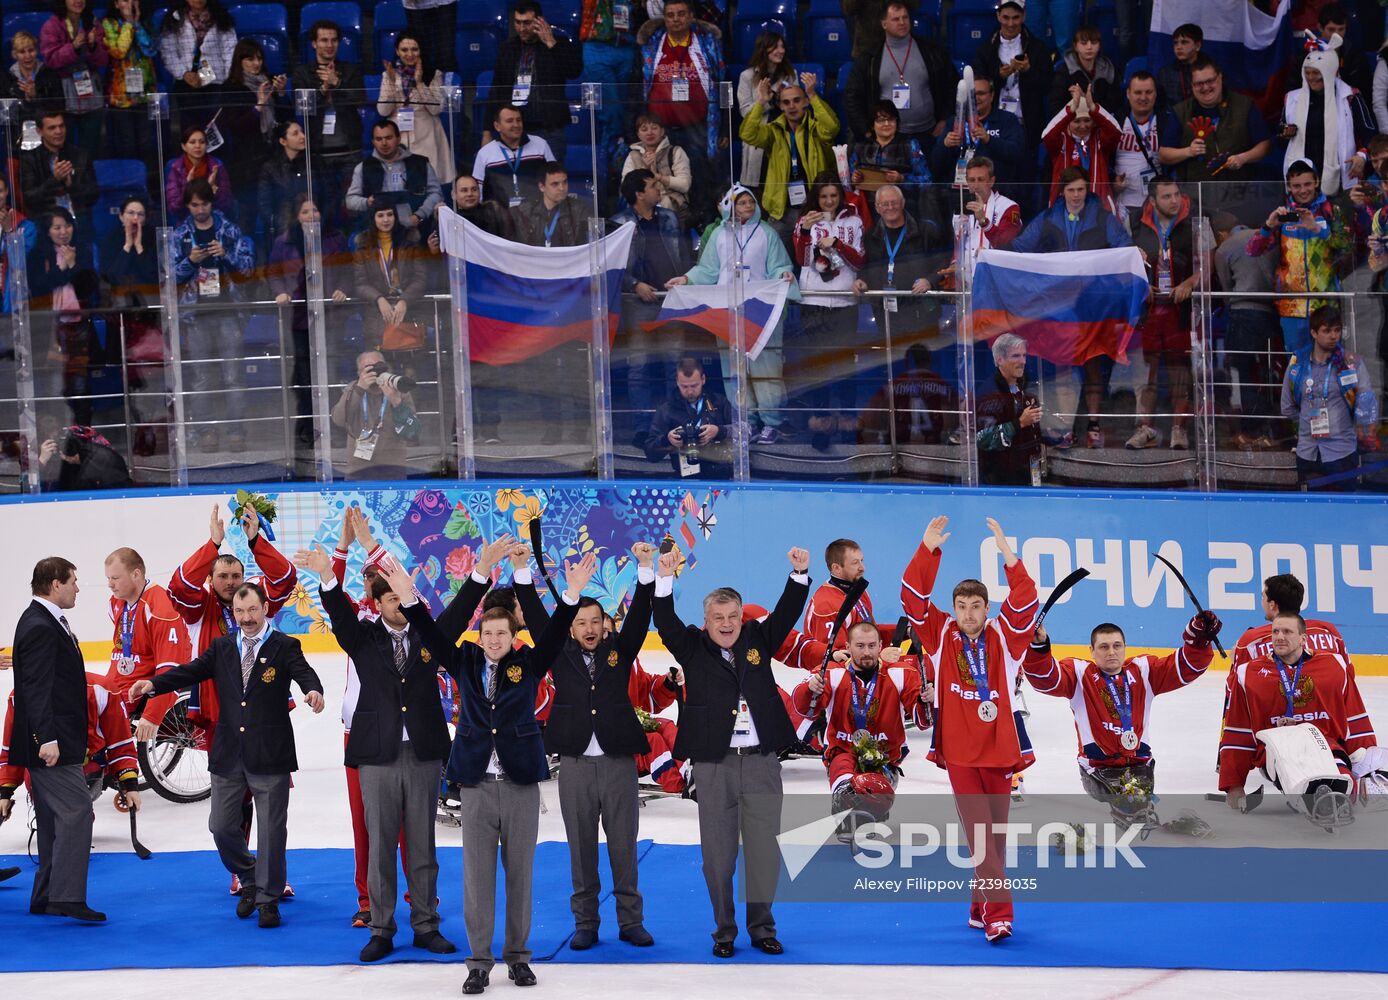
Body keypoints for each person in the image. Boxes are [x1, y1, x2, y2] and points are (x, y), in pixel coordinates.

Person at [401, 544, 596, 996]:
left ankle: (518, 957)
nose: (493, 640)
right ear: (480, 634)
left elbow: (553, 635)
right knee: (477, 878)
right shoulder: (465, 661)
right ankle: (478, 962)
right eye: (487, 633)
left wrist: (570, 594)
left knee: (520, 874)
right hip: (476, 785)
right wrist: (413, 599)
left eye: (501, 634)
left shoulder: (528, 665)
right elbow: (431, 634)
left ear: (512, 637)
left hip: (520, 783)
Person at [129, 583, 326, 928]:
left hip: (270, 754)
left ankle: (268, 899)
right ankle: (250, 877)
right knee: (220, 827)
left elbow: (304, 673)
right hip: (228, 754)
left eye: (252, 610)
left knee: (271, 831)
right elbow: (190, 671)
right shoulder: (221, 647)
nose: (246, 618)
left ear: (265, 608)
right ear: (233, 613)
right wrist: (154, 685)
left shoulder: (285, 646)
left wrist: (313, 690)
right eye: (239, 611)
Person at [652, 543, 811, 957]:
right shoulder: (691, 647)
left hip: (761, 763)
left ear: (743, 617)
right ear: (705, 622)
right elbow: (665, 621)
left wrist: (798, 574)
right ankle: (724, 931)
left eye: (733, 617)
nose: (726, 624)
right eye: (718, 618)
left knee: (764, 852)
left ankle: (762, 928)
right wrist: (665, 577)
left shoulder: (760, 637)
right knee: (717, 859)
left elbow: (789, 612)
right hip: (714, 767)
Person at [300, 545, 455, 962]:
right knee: (381, 844)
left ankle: (425, 924)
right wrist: (327, 578)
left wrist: (483, 571)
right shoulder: (362, 639)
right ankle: (382, 928)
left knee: (422, 845)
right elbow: (338, 615)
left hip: (422, 754)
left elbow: (460, 614)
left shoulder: (428, 635)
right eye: (390, 599)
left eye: (403, 598)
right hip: (377, 757)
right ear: (377, 603)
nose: (399, 606)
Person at [513, 542, 658, 950]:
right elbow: (542, 619)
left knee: (624, 846)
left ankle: (631, 921)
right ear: (571, 628)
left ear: (605, 624)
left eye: (596, 621)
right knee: (580, 848)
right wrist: (522, 572)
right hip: (575, 765)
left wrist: (645, 568)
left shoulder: (620, 651)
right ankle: (586, 924)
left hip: (617, 764)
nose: (589, 628)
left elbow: (643, 613)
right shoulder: (557, 653)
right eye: (580, 622)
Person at [899, 515, 1038, 941]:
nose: (967, 614)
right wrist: (927, 550)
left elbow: (1027, 599)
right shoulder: (940, 634)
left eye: (975, 606)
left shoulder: (1006, 636)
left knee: (994, 838)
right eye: (961, 607)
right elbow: (912, 601)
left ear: (986, 608)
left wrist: (1008, 556)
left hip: (999, 751)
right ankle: (1000, 913)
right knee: (981, 834)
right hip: (959, 752)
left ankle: (978, 906)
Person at [1023, 613, 1220, 827]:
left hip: (1139, 765)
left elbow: (1185, 668)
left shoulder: (1144, 671)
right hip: (1098, 769)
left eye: (1117, 646)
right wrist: (1039, 646)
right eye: (1104, 647)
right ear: (1092, 651)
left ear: (1125, 647)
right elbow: (1045, 679)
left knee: (1139, 812)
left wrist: (1199, 640)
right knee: (1131, 810)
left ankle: (1134, 811)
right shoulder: (1080, 675)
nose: (1111, 652)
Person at [7, 557, 103, 921]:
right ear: (55, 583)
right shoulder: (40, 625)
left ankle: (46, 894)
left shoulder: (44, 621)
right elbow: (35, 688)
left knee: (52, 820)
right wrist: (45, 737)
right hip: (51, 743)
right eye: (74, 581)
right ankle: (66, 896)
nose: (78, 588)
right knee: (78, 812)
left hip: (54, 739)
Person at [1010, 167, 1131, 449]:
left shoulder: (1103, 218)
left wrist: (1132, 252)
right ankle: (1064, 427)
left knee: (1092, 367)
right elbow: (1020, 247)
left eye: (1080, 189)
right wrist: (993, 253)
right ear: (1061, 192)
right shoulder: (1048, 218)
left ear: (1087, 190)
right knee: (1063, 369)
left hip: (1093, 308)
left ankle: (1093, 426)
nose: (1076, 195)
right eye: (1071, 190)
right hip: (1059, 308)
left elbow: (1123, 246)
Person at [667, 185, 798, 443]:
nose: (748, 206)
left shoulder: (767, 233)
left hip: (761, 314)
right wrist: (686, 279)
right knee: (734, 371)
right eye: (742, 203)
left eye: (751, 202)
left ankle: (771, 423)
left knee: (766, 370)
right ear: (730, 206)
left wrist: (784, 274)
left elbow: (780, 266)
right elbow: (706, 271)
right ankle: (745, 422)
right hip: (727, 313)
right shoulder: (718, 235)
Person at [1219, 612, 1378, 816]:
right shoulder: (1248, 674)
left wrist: (1368, 769)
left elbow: (1354, 718)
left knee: (1343, 778)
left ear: (1303, 638)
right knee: (1297, 775)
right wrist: (1234, 784)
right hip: (1277, 749)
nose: (1279, 637)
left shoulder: (1334, 666)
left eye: (1287, 631)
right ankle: (1318, 800)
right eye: (1275, 631)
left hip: (1327, 746)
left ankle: (1334, 797)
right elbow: (1238, 732)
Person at [0, 672, 143, 872]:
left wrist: (130, 785)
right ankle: (53, 817)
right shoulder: (21, 695)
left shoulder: (101, 690)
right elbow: (12, 749)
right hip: (42, 769)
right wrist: (4, 792)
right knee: (41, 787)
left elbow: (120, 743)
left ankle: (80, 818)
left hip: (86, 768)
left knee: (72, 821)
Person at [791, 621, 928, 821]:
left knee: (872, 794)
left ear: (881, 646)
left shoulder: (901, 673)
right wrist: (810, 690)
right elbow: (803, 708)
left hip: (885, 756)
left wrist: (927, 701)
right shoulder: (831, 672)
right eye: (860, 646)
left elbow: (923, 721)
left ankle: (872, 811)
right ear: (847, 647)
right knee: (848, 792)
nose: (867, 652)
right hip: (843, 751)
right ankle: (847, 810)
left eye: (872, 646)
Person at [172, 178, 254, 449]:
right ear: (187, 205)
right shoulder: (179, 234)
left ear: (211, 203)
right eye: (194, 205)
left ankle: (236, 431)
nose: (200, 209)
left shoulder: (229, 230)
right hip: (196, 315)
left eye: (204, 203)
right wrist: (190, 261)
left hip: (227, 311)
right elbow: (168, 276)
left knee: (233, 376)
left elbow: (248, 270)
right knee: (201, 378)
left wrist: (227, 254)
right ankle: (206, 430)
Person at [613, 168, 693, 446]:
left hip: (670, 299)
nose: (658, 190)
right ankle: (643, 428)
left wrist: (685, 279)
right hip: (639, 303)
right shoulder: (620, 223)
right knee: (639, 367)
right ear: (638, 193)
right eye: (652, 186)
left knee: (674, 364)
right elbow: (613, 267)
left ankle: (674, 423)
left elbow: (682, 254)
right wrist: (635, 284)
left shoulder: (669, 217)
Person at [1244, 159, 1353, 358]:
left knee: (1329, 364)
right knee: (1296, 367)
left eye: (1307, 184)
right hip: (1291, 306)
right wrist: (1268, 226)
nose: (1303, 190)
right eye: (1297, 186)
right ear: (1289, 187)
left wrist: (1318, 230)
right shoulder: (1284, 215)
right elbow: (1252, 250)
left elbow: (1347, 247)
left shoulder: (1331, 211)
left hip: (1325, 304)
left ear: (1317, 181)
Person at [636, 0, 726, 225]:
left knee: (699, 177)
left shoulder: (706, 44)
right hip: (660, 130)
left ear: (691, 17)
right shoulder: (653, 44)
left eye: (681, 14)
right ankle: (667, 223)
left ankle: (702, 222)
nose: (675, 19)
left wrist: (723, 126)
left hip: (696, 126)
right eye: (670, 15)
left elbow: (721, 82)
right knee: (662, 180)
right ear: (663, 18)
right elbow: (641, 84)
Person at [269, 194, 349, 447]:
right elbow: (273, 272)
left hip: (329, 315)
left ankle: (333, 428)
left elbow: (348, 271)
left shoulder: (335, 239)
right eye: (305, 211)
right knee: (303, 376)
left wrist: (342, 289)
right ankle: (307, 427)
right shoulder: (284, 241)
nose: (310, 215)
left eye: (314, 210)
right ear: (297, 216)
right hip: (299, 317)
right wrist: (280, 291)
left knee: (331, 372)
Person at [1126, 178, 1197, 451]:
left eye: (1177, 194)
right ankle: (1146, 429)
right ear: (1152, 201)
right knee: (1147, 375)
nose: (1174, 201)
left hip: (1180, 310)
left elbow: (1208, 261)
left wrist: (1189, 284)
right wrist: (1141, 285)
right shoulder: (1134, 223)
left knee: (1180, 371)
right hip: (1149, 311)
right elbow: (1125, 261)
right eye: (1167, 196)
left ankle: (1179, 429)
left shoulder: (1193, 221)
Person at [1280, 304, 1378, 491]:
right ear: (1314, 333)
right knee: (1310, 513)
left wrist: (1362, 427)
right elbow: (1287, 406)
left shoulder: (1351, 363)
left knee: (1346, 515)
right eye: (1326, 331)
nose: (1333, 336)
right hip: (1308, 454)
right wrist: (1305, 425)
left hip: (1342, 453)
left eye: (1337, 330)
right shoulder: (1297, 364)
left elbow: (1365, 401)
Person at [101, 546, 192, 741]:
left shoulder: (161, 610)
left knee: (98, 714)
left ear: (136, 574)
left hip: (139, 687)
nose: (110, 584)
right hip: (117, 682)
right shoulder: (115, 603)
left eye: (115, 578)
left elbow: (170, 669)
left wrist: (152, 715)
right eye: (108, 578)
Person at [1158, 54, 1272, 210]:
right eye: (1199, 84)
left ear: (1220, 78)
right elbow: (1163, 154)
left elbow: (1264, 145)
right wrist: (1188, 151)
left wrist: (1243, 158)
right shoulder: (1180, 112)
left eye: (1210, 81)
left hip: (1241, 198)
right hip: (1196, 201)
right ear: (1191, 85)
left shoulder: (1244, 105)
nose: (1205, 88)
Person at [843, 2, 957, 154]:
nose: (902, 22)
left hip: (928, 134)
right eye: (896, 19)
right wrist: (866, 131)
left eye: (905, 17)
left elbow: (952, 85)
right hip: (889, 139)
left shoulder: (932, 51)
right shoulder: (870, 58)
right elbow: (852, 96)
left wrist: (944, 119)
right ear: (884, 24)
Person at [1212, 210, 1280, 449]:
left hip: (1243, 312)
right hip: (1273, 312)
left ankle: (1253, 428)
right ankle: (1273, 428)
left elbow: (1226, 288)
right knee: (1266, 371)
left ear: (1221, 234)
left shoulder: (1224, 248)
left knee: (1241, 371)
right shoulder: (1267, 236)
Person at [1279, 32, 1376, 199]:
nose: (1311, 78)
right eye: (1307, 72)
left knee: (1340, 224)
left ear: (1330, 71)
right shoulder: (1292, 98)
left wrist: (1362, 156)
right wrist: (1285, 132)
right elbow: (1280, 132)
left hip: (1341, 180)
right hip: (1304, 182)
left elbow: (1371, 135)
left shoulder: (1350, 97)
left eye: (1317, 73)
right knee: (1302, 223)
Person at [486, 1, 583, 164]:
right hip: (517, 130)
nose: (522, 28)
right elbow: (497, 89)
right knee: (521, 183)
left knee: (552, 181)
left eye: (527, 23)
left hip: (550, 128)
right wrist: (487, 131)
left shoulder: (558, 44)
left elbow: (573, 72)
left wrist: (552, 43)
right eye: (517, 22)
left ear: (540, 21)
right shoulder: (507, 48)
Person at [27, 207, 98, 428]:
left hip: (77, 328)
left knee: (79, 384)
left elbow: (88, 288)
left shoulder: (82, 250)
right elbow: (40, 287)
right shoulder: (38, 255)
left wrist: (74, 264)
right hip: (49, 328)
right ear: (47, 231)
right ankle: (55, 437)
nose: (63, 231)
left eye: (67, 226)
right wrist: (64, 267)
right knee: (53, 383)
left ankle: (83, 435)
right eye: (57, 227)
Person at [739, 72, 839, 229]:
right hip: (781, 212)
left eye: (797, 100)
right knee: (780, 254)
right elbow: (747, 134)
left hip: (815, 211)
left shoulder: (815, 129)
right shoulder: (773, 131)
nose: (792, 106)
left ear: (805, 102)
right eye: (786, 102)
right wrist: (761, 102)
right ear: (780, 106)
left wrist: (812, 94)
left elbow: (832, 128)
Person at [290, 19, 366, 221]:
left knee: (353, 206)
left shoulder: (351, 70)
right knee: (326, 205)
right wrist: (324, 88)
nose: (329, 45)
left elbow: (360, 100)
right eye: (324, 40)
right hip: (318, 152)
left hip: (350, 149)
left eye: (334, 40)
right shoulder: (302, 73)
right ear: (314, 43)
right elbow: (303, 108)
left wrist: (337, 83)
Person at [853, 184, 941, 345]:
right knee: (892, 363)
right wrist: (862, 280)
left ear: (903, 203)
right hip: (886, 311)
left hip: (920, 310)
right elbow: (866, 267)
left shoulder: (924, 231)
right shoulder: (871, 236)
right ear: (877, 208)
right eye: (885, 204)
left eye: (894, 202)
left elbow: (943, 264)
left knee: (924, 363)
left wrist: (930, 280)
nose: (890, 207)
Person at [216, 36, 286, 237]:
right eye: (250, 59)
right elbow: (235, 127)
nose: (256, 64)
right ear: (240, 62)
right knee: (247, 218)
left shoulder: (269, 82)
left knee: (274, 215)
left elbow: (286, 119)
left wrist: (281, 95)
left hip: (271, 156)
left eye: (259, 59)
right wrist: (258, 106)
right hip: (245, 164)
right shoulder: (231, 88)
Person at [972, 1, 1052, 170]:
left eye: (1015, 18)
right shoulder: (985, 50)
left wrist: (1029, 71)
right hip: (995, 126)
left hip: (1027, 125)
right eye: (1006, 17)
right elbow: (978, 87)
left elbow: (1047, 86)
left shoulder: (1038, 48)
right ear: (998, 16)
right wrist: (999, 77)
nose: (1010, 24)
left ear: (1024, 16)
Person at [578, 0, 643, 201]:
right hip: (597, 45)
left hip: (627, 44)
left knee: (623, 115)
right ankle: (609, 172)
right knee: (612, 112)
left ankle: (617, 174)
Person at [332, 349, 423, 480]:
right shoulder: (353, 389)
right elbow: (338, 420)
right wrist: (359, 389)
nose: (374, 372)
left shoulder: (398, 388)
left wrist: (396, 402)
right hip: (359, 470)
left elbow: (412, 432)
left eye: (378, 367)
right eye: (368, 368)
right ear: (359, 373)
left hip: (393, 467)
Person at [378, 32, 455, 188]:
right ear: (397, 52)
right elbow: (383, 111)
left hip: (426, 134)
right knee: (400, 186)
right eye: (404, 50)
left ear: (421, 51)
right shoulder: (388, 75)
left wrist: (419, 82)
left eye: (414, 49)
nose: (410, 54)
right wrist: (392, 84)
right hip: (398, 135)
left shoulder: (433, 74)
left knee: (429, 186)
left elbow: (435, 110)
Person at [849, 100, 936, 237]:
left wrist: (902, 179)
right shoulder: (860, 147)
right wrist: (854, 179)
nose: (886, 124)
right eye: (880, 120)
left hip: (904, 211)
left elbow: (927, 181)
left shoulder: (910, 145)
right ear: (872, 125)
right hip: (868, 212)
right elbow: (848, 184)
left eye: (891, 119)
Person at [353, 205, 427, 354]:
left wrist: (404, 300)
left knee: (410, 369)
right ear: (373, 219)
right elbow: (360, 283)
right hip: (376, 316)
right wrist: (379, 299)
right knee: (381, 369)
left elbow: (421, 278)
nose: (386, 220)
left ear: (396, 217)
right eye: (380, 215)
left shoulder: (409, 240)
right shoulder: (363, 245)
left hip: (409, 312)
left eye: (389, 214)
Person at [643, 355, 732, 478]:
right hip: (685, 477)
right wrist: (667, 440)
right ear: (677, 382)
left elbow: (746, 432)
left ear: (703, 379)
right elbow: (650, 453)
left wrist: (719, 431)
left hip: (721, 474)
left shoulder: (719, 402)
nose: (690, 391)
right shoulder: (666, 410)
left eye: (694, 386)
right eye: (684, 386)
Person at [346, 119, 442, 231]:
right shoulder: (363, 167)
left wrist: (419, 215)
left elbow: (436, 194)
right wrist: (367, 202)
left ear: (398, 138)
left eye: (388, 138)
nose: (384, 143)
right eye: (378, 139)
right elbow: (350, 200)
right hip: (378, 231)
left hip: (416, 228)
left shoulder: (420, 163)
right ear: (373, 142)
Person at [932, 76, 1023, 193]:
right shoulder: (955, 122)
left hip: (997, 190)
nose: (976, 98)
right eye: (972, 94)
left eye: (981, 93)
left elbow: (1016, 153)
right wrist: (944, 144)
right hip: (961, 191)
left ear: (992, 95)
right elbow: (936, 164)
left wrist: (989, 140)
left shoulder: (1007, 120)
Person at [157, 0, 237, 133]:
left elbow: (230, 50)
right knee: (190, 128)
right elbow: (168, 51)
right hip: (186, 82)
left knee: (214, 129)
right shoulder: (174, 19)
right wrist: (184, 74)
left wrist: (228, 81)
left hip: (216, 83)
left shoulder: (221, 17)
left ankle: (214, 154)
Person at [39, 0, 109, 152]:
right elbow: (50, 60)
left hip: (91, 94)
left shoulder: (94, 23)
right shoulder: (52, 25)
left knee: (91, 148)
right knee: (65, 149)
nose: (78, 1)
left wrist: (93, 47)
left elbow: (104, 60)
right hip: (63, 96)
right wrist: (73, 48)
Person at [976, 333, 1042, 486]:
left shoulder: (1022, 387)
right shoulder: (990, 395)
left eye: (1024, 355)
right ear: (1000, 360)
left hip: (1026, 473)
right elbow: (982, 439)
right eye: (1016, 356)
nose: (1023, 361)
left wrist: (1050, 433)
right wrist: (1019, 423)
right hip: (1001, 481)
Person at [1041, 90, 1121, 211]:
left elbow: (1117, 132)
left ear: (1094, 121)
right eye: (1077, 121)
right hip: (1065, 209)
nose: (1083, 126)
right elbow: (1046, 135)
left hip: (1098, 209)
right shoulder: (1061, 141)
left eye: (1087, 120)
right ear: (1068, 121)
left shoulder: (1100, 139)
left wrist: (1095, 109)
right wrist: (1069, 111)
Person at [736, 30, 798, 187]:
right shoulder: (747, 77)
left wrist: (784, 101)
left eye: (782, 46)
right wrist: (764, 102)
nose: (781, 51)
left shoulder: (790, 75)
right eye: (775, 47)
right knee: (760, 188)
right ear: (764, 49)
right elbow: (745, 113)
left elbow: (797, 108)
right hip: (760, 140)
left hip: (785, 137)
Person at [17, 111, 97, 231]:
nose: (58, 131)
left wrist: (71, 184)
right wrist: (54, 179)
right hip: (45, 225)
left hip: (78, 224)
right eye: (52, 128)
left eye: (61, 126)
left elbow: (93, 194)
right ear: (40, 131)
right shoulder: (29, 160)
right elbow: (30, 198)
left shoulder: (80, 155)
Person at [100, 0, 158, 165]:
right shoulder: (108, 24)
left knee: (147, 142)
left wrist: (137, 24)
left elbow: (151, 49)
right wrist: (128, 24)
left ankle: (147, 182)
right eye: (125, 0)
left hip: (146, 92)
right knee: (127, 142)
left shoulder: (146, 21)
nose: (131, 3)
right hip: (121, 95)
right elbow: (119, 51)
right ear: (116, 4)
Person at [257, 121, 325, 250]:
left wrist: (321, 220)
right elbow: (264, 204)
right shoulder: (270, 168)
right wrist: (284, 225)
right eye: (295, 134)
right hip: (284, 228)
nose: (302, 136)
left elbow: (329, 194)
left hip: (314, 224)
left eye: (302, 132)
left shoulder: (316, 162)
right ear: (283, 141)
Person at [472, 104, 556, 208]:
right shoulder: (485, 153)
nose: (516, 125)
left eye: (518, 120)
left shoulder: (540, 145)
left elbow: (555, 180)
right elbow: (477, 191)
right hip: (500, 218)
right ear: (497, 126)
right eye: (510, 121)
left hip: (537, 215)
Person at [620, 112, 692, 227]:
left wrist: (658, 176)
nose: (649, 132)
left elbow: (685, 185)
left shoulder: (675, 152)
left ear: (662, 131)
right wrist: (645, 169)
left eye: (654, 128)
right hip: (641, 210)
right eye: (644, 129)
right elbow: (626, 186)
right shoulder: (633, 155)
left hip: (674, 211)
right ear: (638, 134)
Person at [1113, 71, 1163, 228]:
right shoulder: (1115, 121)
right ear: (1128, 94)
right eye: (1138, 92)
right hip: (1123, 205)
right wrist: (1112, 184)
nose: (1143, 98)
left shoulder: (1167, 121)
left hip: (1158, 204)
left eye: (1148, 92)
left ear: (1156, 94)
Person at [512, 161, 595, 247]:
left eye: (565, 182)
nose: (562, 188)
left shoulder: (579, 210)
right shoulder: (526, 211)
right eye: (555, 184)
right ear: (542, 187)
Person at [1046, 24, 1120, 118]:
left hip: (1101, 123)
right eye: (1084, 43)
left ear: (1099, 45)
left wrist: (1085, 100)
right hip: (1072, 124)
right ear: (1075, 46)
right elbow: (1055, 107)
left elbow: (1114, 104)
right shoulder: (1064, 71)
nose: (1089, 47)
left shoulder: (1108, 69)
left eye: (1093, 43)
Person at [165, 123, 234, 222]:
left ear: (206, 145)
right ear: (184, 146)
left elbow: (227, 204)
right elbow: (173, 208)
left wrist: (213, 192)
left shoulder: (217, 165)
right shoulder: (175, 167)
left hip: (214, 221)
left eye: (202, 142)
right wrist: (187, 187)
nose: (198, 146)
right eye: (192, 142)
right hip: (185, 222)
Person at [4, 31, 63, 128]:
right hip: (18, 131)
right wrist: (26, 99)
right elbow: (7, 115)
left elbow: (59, 106)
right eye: (22, 52)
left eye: (31, 50)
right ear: (15, 55)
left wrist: (36, 96)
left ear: (37, 51)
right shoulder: (8, 79)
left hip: (47, 130)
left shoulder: (49, 74)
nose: (27, 56)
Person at [1156, 22, 1201, 112]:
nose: (1178, 47)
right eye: (1176, 43)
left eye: (1184, 42)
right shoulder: (1164, 73)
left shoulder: (1209, 71)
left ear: (1197, 46)